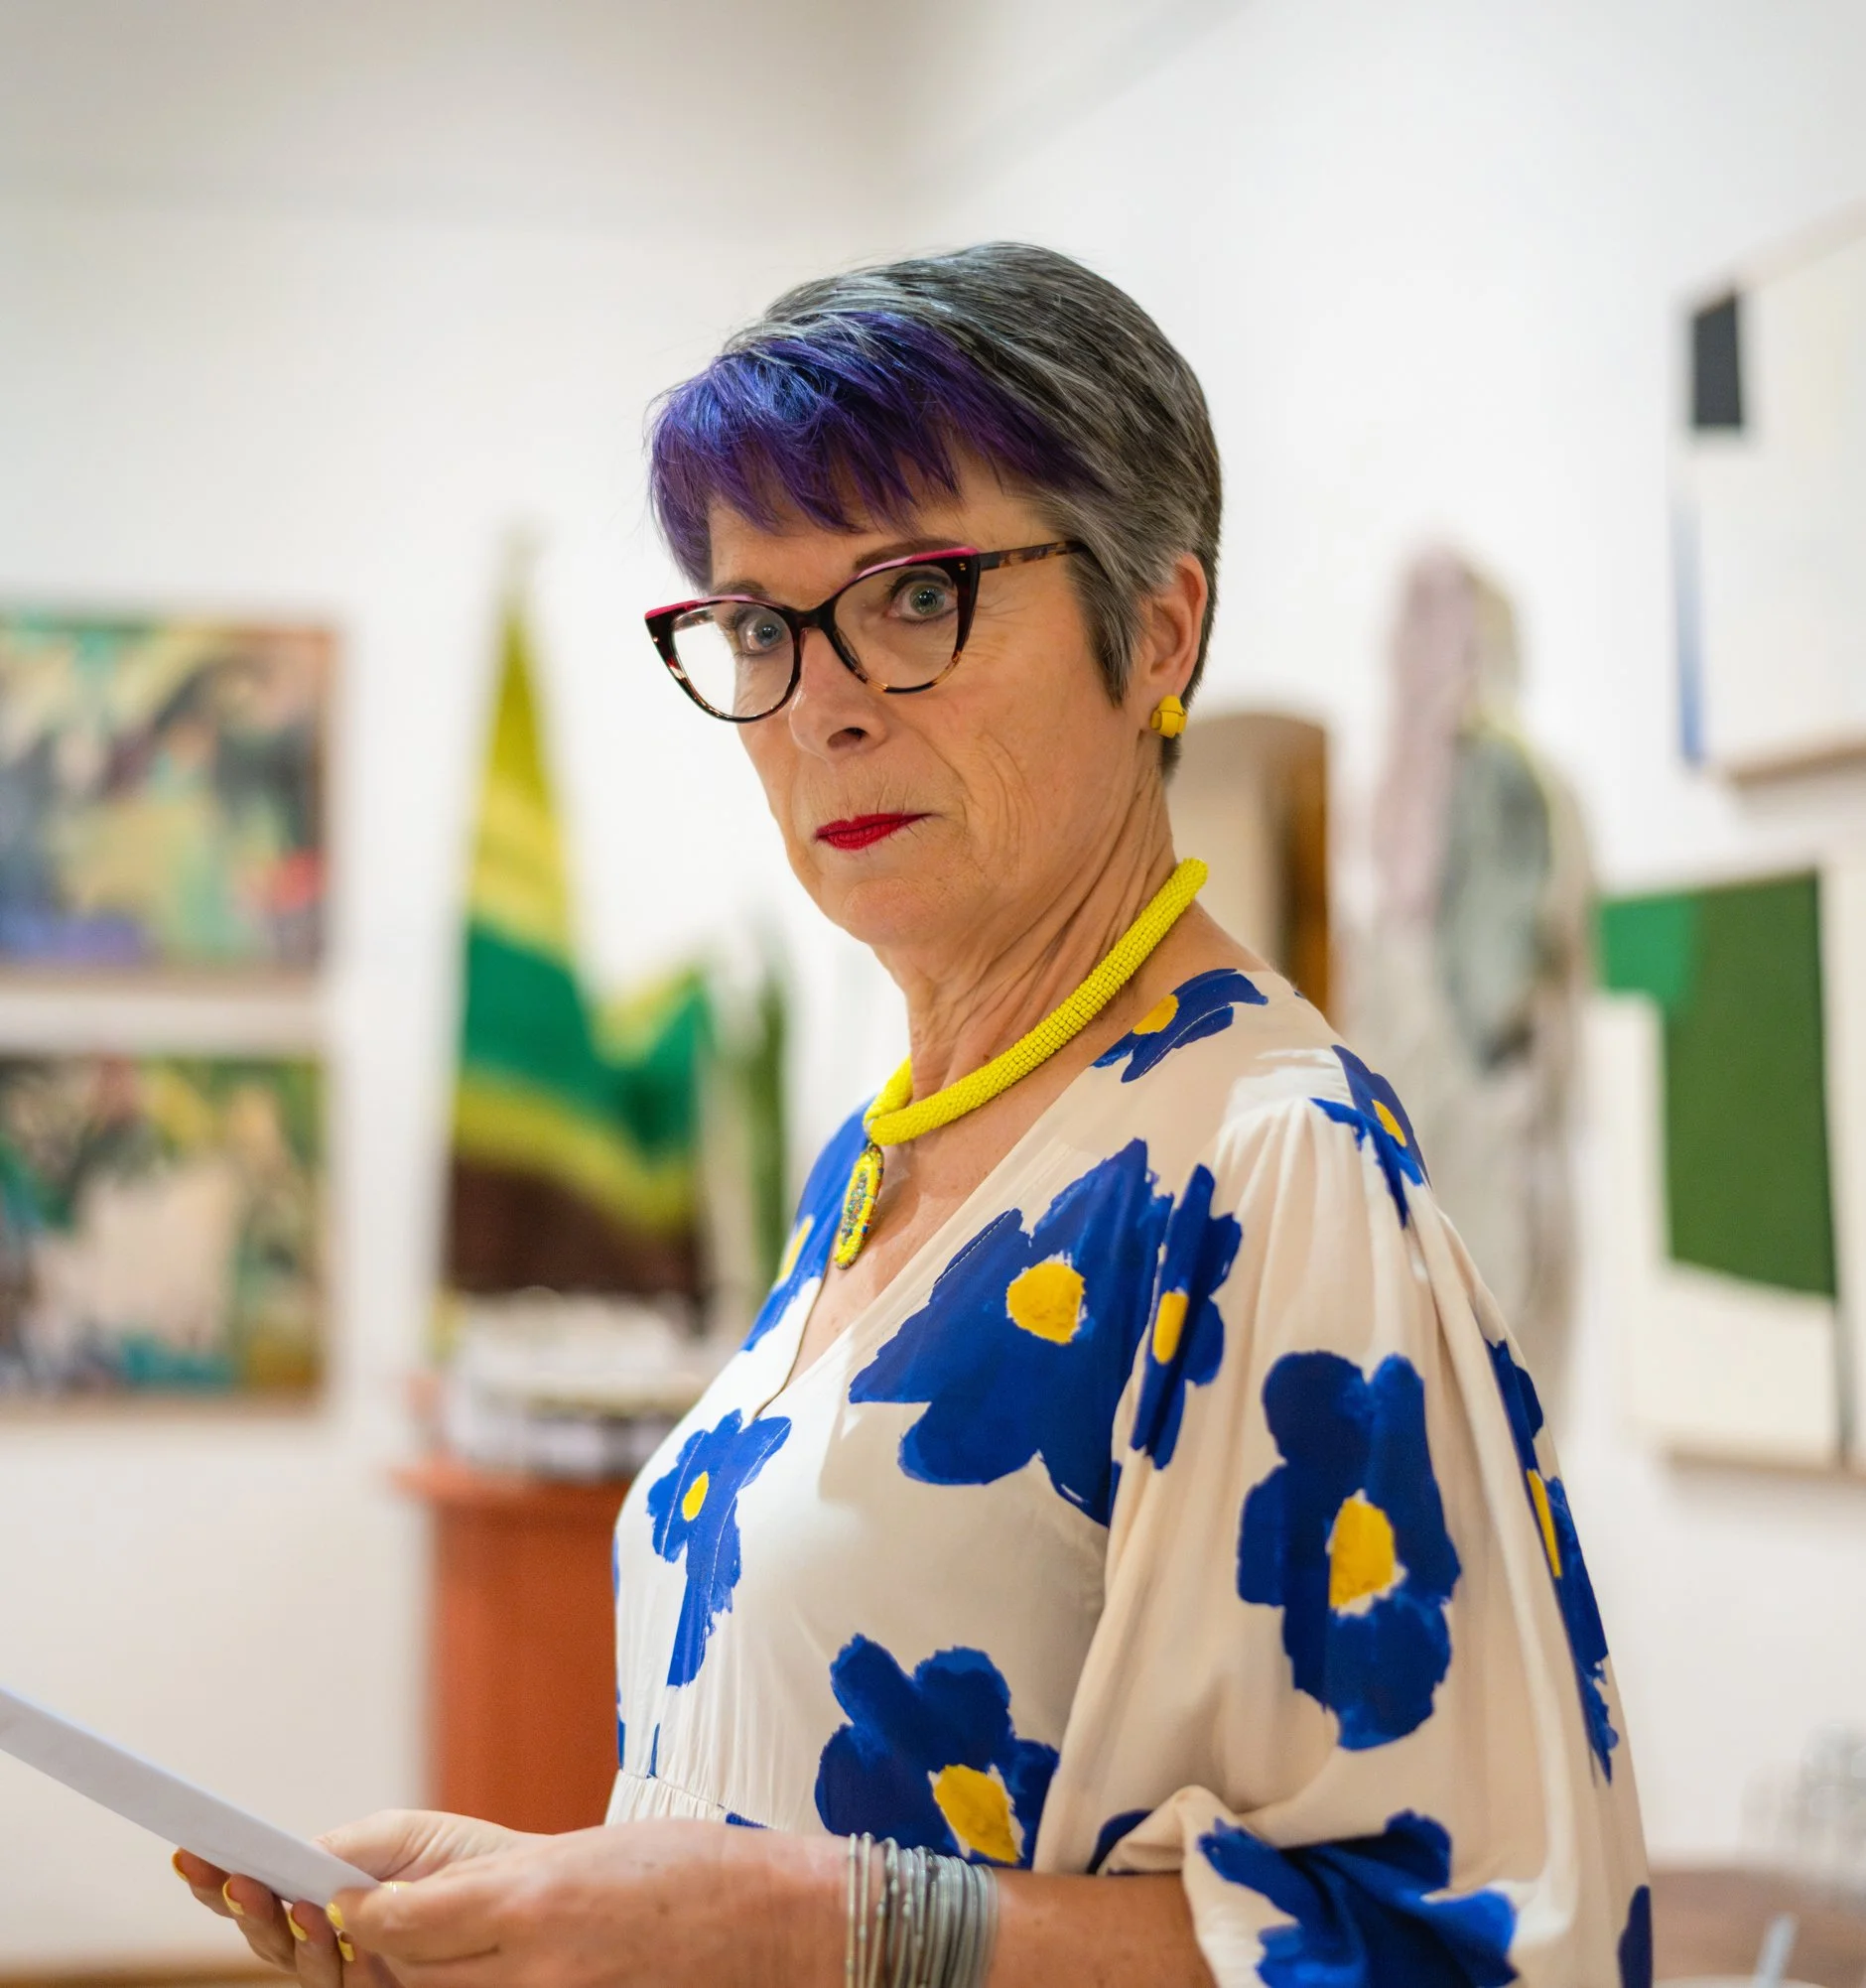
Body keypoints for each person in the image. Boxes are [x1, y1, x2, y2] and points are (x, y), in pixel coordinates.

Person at [177, 244, 1651, 1987]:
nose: (823, 703)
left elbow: (1456, 1943)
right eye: (753, 625)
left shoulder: (1269, 1159)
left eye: (915, 595)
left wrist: (784, 1924)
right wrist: (572, 1896)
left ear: (1158, 626)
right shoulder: (884, 1158)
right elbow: (839, 1797)